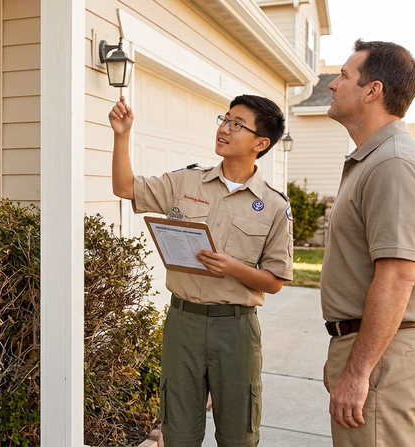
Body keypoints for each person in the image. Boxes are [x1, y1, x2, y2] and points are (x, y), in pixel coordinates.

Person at [109, 94, 293, 447]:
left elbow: (274, 282)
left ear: (260, 143)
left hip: (236, 329)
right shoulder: (186, 183)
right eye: (225, 119)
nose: (224, 128)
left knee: (238, 434)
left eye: (237, 124)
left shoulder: (272, 205)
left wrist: (234, 268)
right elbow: (124, 187)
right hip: (184, 322)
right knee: (178, 433)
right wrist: (121, 135)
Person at [320, 39, 415, 447]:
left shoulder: (392, 163)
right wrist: (345, 353)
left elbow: (397, 279)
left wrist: (357, 371)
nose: (333, 85)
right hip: (372, 347)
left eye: (344, 75)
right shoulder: (374, 159)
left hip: (384, 356)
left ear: (372, 90)